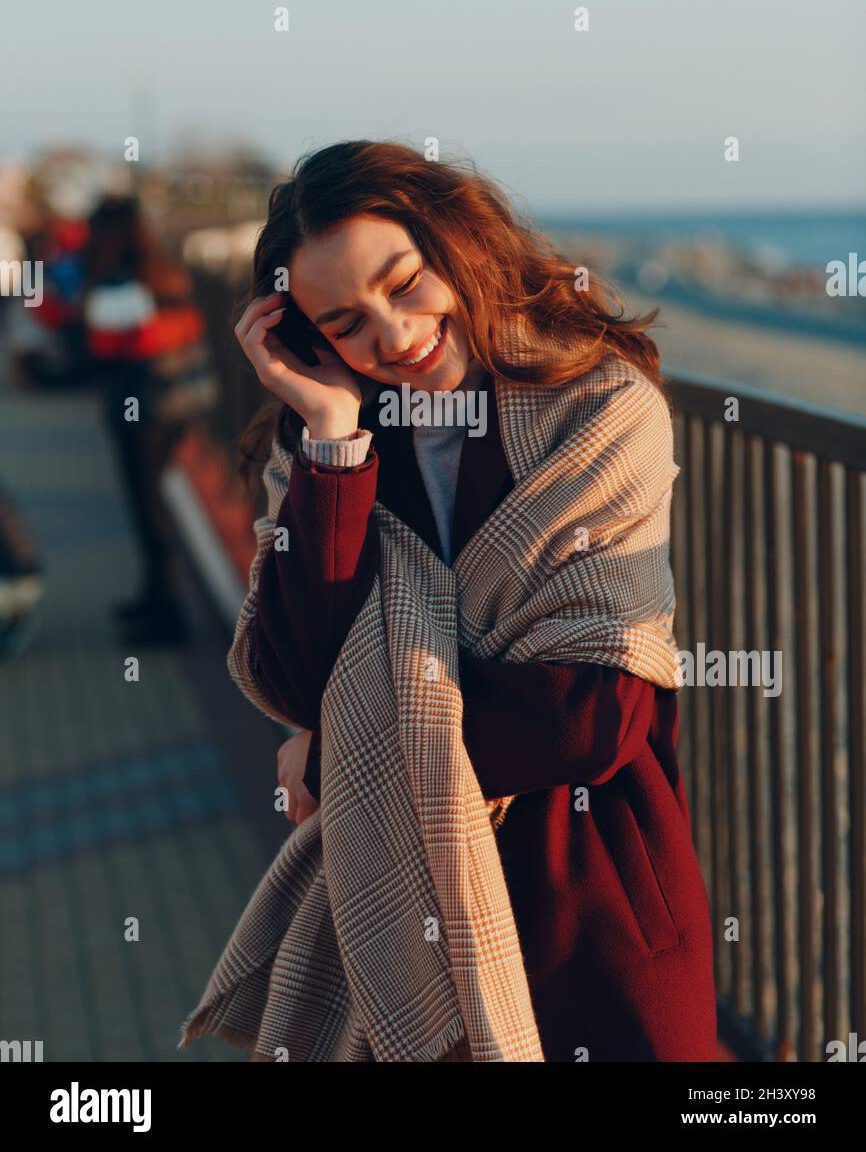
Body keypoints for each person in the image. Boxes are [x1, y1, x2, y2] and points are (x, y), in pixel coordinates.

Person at [187, 139, 718, 1062]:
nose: (391, 336)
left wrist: (344, 748)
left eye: (404, 282)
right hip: (397, 898)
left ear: (456, 245)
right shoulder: (326, 448)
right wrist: (333, 442)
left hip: (584, 893)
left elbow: (591, 713)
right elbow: (287, 673)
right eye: (346, 323)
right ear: (309, 340)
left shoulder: (597, 411)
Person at [83, 193, 217, 645]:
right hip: (180, 402)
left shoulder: (123, 275)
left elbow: (108, 343)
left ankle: (168, 613)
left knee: (147, 506)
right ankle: (155, 596)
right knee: (152, 501)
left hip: (144, 406)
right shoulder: (163, 268)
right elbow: (188, 328)